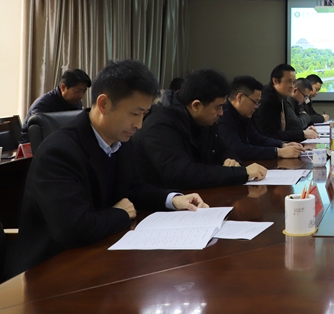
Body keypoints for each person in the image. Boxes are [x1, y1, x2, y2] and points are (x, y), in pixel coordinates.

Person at [11, 60, 208, 276]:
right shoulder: (58, 152)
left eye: (144, 114)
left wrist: (173, 199)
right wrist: (120, 214)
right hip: (51, 270)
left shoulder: (120, 141)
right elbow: (73, 229)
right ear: (103, 104)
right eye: (135, 114)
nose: (139, 125)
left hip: (100, 254)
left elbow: (134, 189)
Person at [133, 68, 267, 190]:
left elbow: (224, 149)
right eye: (218, 107)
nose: (221, 113)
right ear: (196, 105)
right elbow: (183, 174)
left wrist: (229, 160)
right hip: (161, 203)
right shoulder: (160, 126)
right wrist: (240, 173)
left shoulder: (203, 120)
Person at [218, 76, 304, 161]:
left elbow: (257, 138)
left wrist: (282, 144)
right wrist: (278, 152)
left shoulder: (243, 114)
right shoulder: (223, 115)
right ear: (240, 97)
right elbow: (237, 149)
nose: (257, 107)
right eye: (255, 102)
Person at [20, 68, 92, 142]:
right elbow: (39, 134)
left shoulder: (77, 103)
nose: (81, 96)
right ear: (63, 88)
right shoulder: (43, 104)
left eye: (84, 91)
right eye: (77, 91)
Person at [253, 64, 318, 143]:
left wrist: (305, 130)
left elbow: (287, 127)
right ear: (275, 81)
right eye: (289, 81)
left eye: (294, 82)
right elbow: (270, 135)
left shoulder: (282, 97)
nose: (292, 86)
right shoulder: (266, 101)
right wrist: (302, 134)